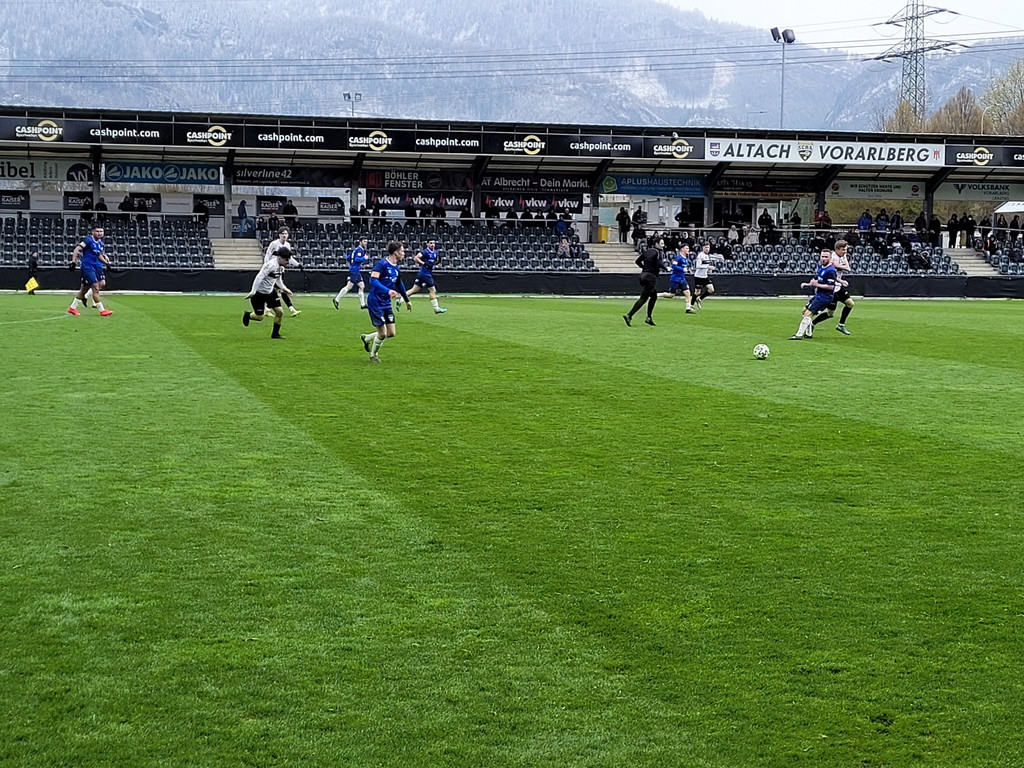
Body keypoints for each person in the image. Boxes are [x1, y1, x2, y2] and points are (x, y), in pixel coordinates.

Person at [359, 241, 411, 363]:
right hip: (375, 302)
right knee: (382, 334)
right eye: (402, 251)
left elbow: (399, 284)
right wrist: (387, 291)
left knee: (391, 333)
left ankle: (366, 338)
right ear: (396, 253)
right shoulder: (381, 265)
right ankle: (373, 355)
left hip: (386, 303)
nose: (404, 254)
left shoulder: (396, 268)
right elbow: (373, 281)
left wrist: (407, 300)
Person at [243, 246, 298, 339]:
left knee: (279, 312)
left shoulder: (281, 267)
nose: (288, 262)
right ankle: (247, 315)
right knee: (259, 317)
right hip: (259, 294)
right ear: (279, 258)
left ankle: (275, 334)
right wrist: (253, 291)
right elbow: (259, 277)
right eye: (286, 260)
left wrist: (284, 288)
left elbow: (278, 279)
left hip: (270, 292)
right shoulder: (270, 265)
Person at [809, 239, 855, 336]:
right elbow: (834, 270)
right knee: (830, 314)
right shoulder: (832, 257)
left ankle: (841, 324)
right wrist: (840, 269)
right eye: (843, 250)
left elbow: (848, 268)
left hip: (839, 287)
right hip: (832, 288)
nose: (845, 252)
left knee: (850, 304)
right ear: (837, 249)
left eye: (846, 250)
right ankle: (812, 324)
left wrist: (839, 266)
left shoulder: (843, 256)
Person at [789, 249, 838, 340]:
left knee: (808, 313)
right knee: (804, 311)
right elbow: (818, 280)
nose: (823, 259)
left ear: (830, 258)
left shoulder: (831, 271)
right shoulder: (820, 267)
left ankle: (799, 335)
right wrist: (808, 284)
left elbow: (831, 287)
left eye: (826, 257)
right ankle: (809, 333)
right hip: (818, 295)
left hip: (825, 297)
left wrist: (817, 285)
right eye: (822, 256)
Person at [67, 224, 113, 316]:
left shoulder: (99, 243)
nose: (99, 233)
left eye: (101, 231)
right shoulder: (88, 240)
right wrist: (73, 262)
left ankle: (72, 308)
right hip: (87, 267)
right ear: (93, 232)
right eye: (97, 231)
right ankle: (102, 310)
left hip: (94, 267)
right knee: (96, 287)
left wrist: (106, 263)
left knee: (84, 289)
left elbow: (99, 255)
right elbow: (77, 249)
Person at [623, 236, 667, 327]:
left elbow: (637, 261)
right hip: (651, 277)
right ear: (656, 244)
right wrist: (666, 268)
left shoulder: (647, 251)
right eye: (662, 243)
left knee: (653, 296)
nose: (663, 245)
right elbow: (658, 262)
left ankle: (648, 317)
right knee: (644, 298)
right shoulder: (659, 252)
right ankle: (630, 315)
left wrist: (645, 268)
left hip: (643, 276)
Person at [263, 228, 302, 316]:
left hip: (281, 270)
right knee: (281, 289)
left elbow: (289, 258)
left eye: (286, 233)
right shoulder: (274, 244)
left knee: (276, 290)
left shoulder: (287, 245)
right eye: (282, 233)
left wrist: (298, 264)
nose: (284, 235)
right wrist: (267, 268)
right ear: (279, 235)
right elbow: (268, 255)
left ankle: (267, 309)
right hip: (273, 269)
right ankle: (292, 309)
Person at [405, 238, 448, 314]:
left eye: (433, 243)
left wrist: (438, 262)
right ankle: (436, 308)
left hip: (423, 273)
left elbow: (432, 263)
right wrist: (424, 264)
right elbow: (416, 258)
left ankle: (401, 299)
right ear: (427, 244)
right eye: (431, 243)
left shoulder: (435, 252)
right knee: (432, 290)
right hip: (425, 274)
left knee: (414, 290)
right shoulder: (425, 252)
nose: (432, 245)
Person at [333, 236, 370, 309]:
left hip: (355, 270)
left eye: (366, 241)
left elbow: (348, 258)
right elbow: (356, 259)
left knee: (362, 286)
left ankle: (362, 304)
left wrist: (355, 263)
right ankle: (336, 299)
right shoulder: (359, 250)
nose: (366, 243)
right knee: (349, 286)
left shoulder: (355, 250)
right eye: (364, 241)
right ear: (360, 242)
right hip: (354, 270)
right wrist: (363, 258)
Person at [657, 243, 696, 312]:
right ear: (682, 249)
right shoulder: (678, 257)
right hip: (675, 279)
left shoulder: (685, 258)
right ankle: (657, 295)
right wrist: (682, 269)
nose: (688, 250)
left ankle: (688, 308)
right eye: (686, 248)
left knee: (687, 292)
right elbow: (673, 266)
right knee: (671, 295)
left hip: (682, 279)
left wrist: (687, 270)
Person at [691, 242, 721, 309]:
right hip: (698, 276)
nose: (707, 249)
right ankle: (691, 305)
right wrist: (708, 267)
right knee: (697, 292)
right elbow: (698, 266)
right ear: (703, 248)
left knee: (711, 289)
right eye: (706, 247)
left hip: (704, 276)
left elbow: (705, 265)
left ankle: (699, 299)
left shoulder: (707, 256)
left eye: (708, 247)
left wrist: (708, 270)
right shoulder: (700, 255)